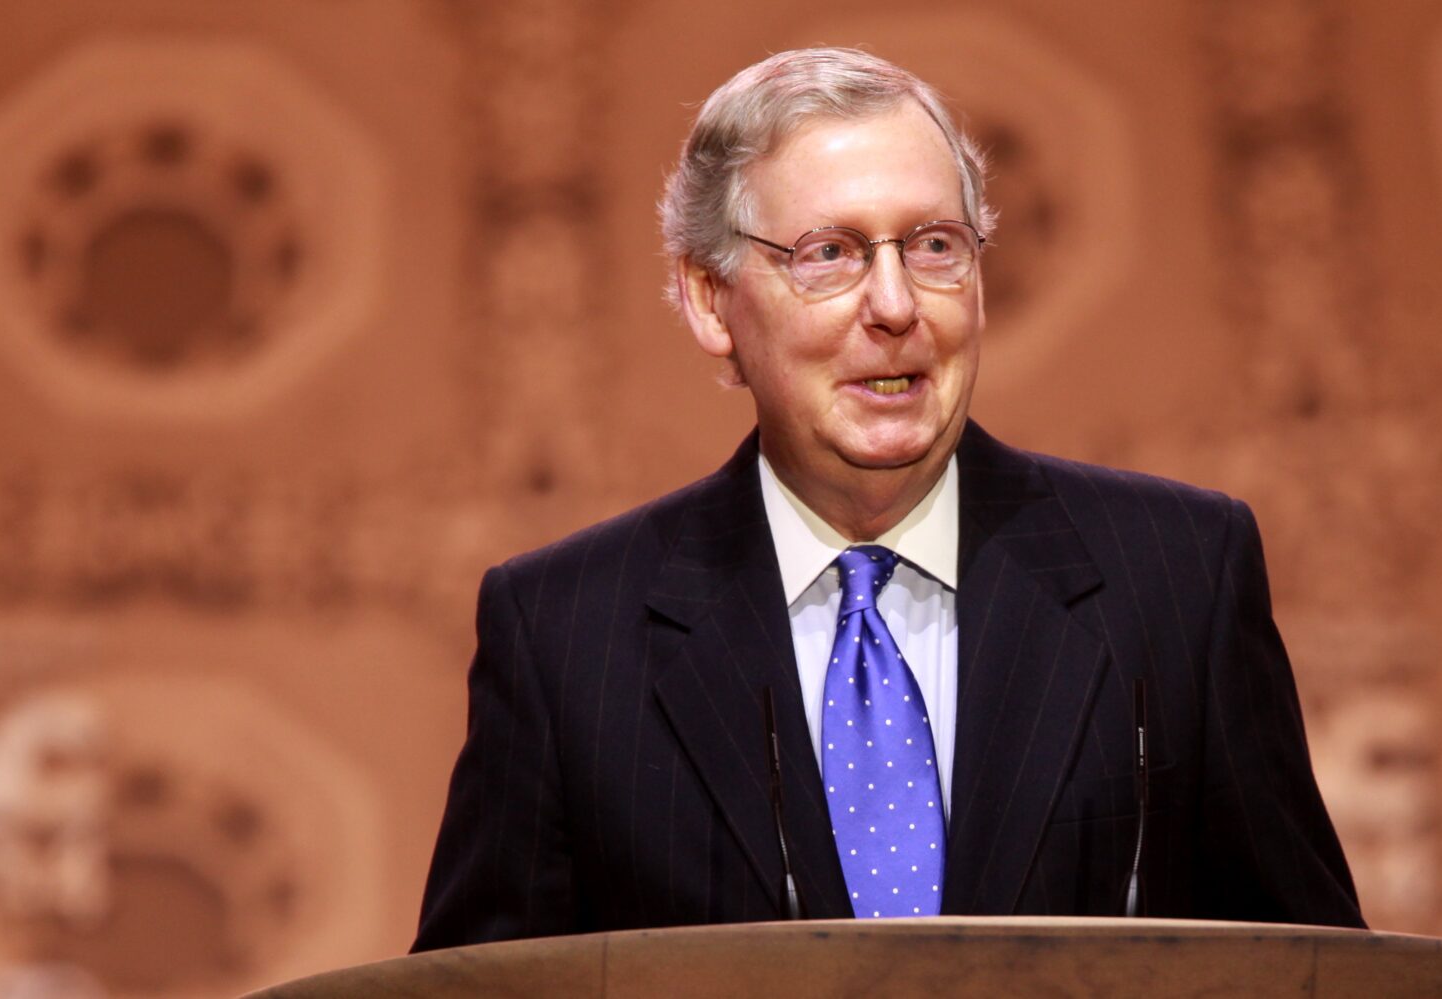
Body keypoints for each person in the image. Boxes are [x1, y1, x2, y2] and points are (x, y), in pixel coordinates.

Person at [412, 47, 1361, 949]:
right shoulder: (567, 635)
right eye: (830, 253)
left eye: (935, 245)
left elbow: (1320, 977)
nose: (897, 304)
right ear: (711, 300)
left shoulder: (1177, 577)